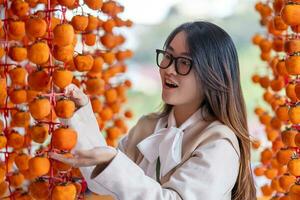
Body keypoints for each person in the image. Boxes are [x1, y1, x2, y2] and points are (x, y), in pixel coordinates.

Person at [50, 21, 257, 200]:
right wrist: (79, 114)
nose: (169, 69)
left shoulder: (218, 143)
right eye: (168, 56)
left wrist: (113, 161)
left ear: (212, 74)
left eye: (184, 62)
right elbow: (103, 182)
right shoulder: (148, 126)